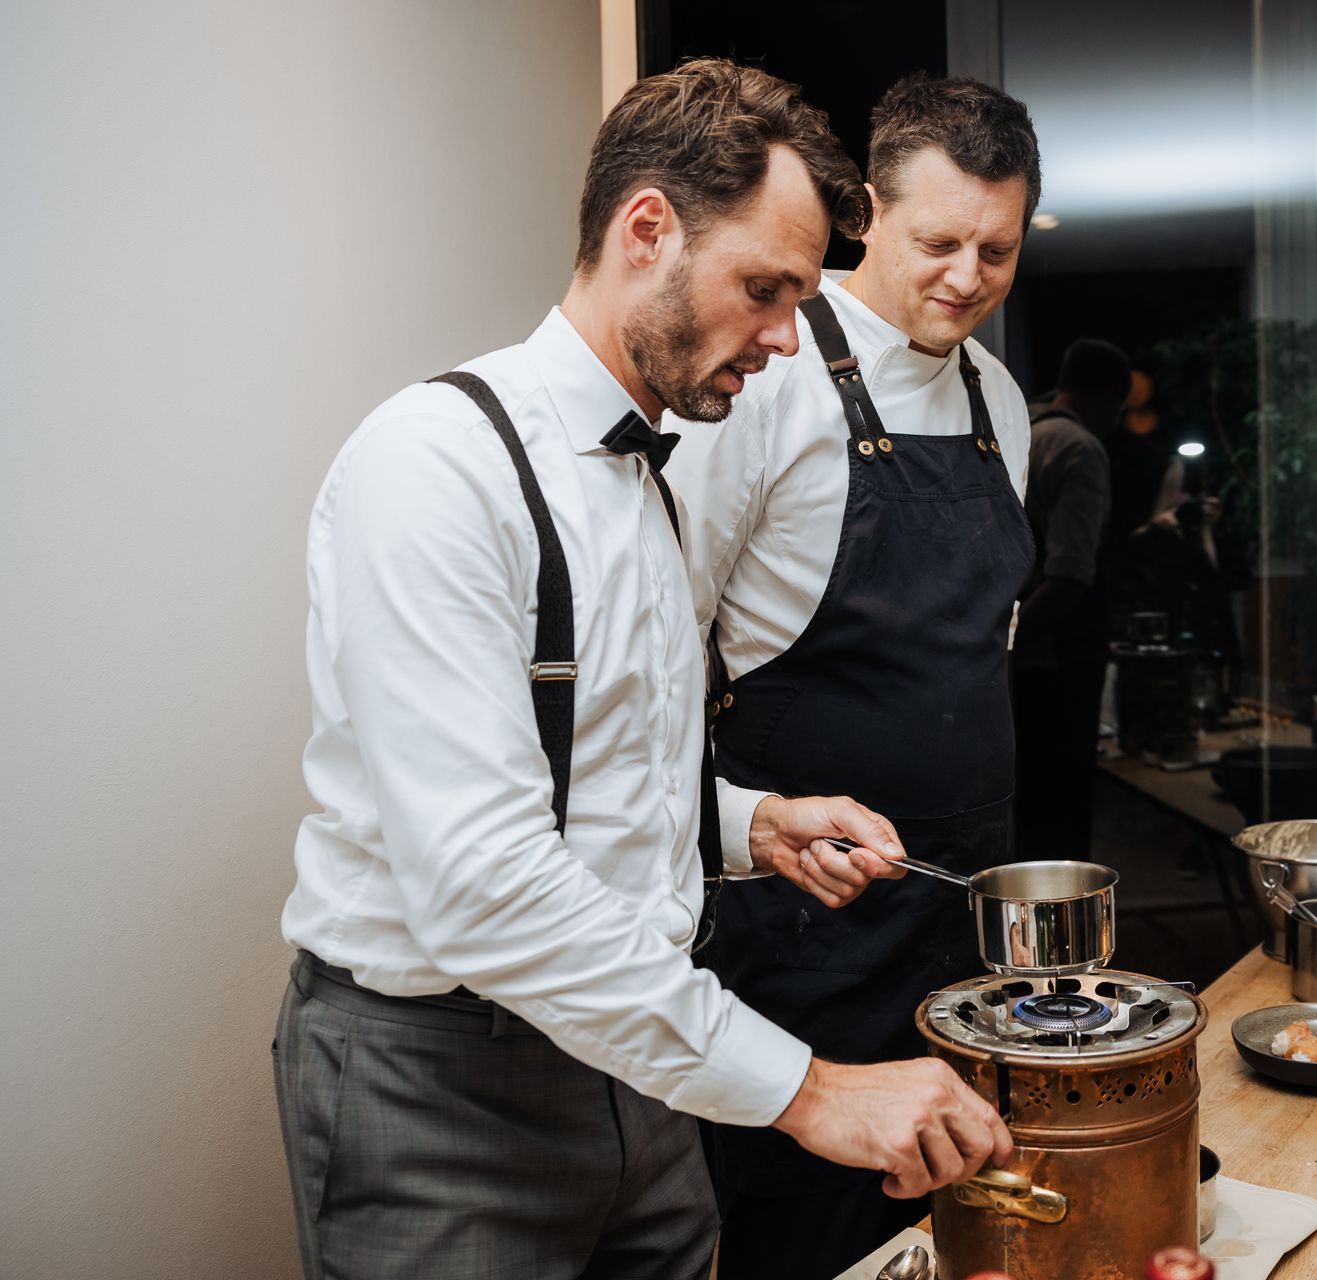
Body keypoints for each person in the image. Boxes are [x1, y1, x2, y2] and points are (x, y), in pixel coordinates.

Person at [273, 60, 1009, 1280]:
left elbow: (594, 773)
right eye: (765, 289)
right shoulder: (434, 465)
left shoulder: (649, 474)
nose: (786, 337)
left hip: (639, 1050)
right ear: (647, 230)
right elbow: (484, 882)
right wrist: (808, 1087)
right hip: (444, 1082)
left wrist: (750, 824)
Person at [670, 73, 1041, 1279]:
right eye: (939, 240)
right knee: (813, 1240)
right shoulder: (766, 377)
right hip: (803, 929)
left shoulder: (1002, 400)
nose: (967, 276)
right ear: (867, 212)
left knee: (964, 1230)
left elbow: (990, 640)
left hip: (962, 911)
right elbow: (673, 646)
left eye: (998, 247)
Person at [1012, 338, 1131, 857]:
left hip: (1008, 654)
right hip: (1054, 658)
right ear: (1113, 399)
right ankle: (1064, 923)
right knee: (1061, 805)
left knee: (1025, 799)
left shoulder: (1013, 429)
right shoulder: (1079, 449)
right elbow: (1069, 575)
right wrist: (1014, 642)